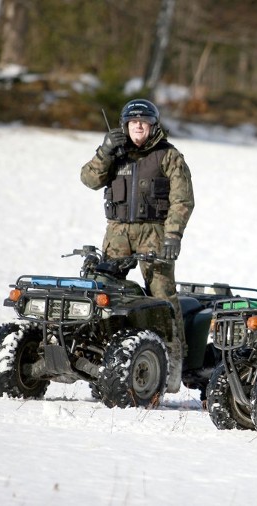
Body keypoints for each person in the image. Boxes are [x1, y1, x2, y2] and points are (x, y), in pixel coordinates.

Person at [81, 98, 195, 357]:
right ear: (124, 126)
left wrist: (173, 236)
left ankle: (173, 357)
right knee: (104, 291)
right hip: (117, 234)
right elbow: (89, 179)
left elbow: (182, 200)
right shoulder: (114, 153)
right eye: (133, 122)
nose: (138, 127)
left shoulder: (169, 156)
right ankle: (99, 352)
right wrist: (104, 151)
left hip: (154, 233)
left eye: (144, 122)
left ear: (154, 126)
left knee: (162, 295)